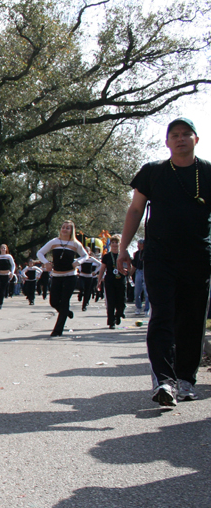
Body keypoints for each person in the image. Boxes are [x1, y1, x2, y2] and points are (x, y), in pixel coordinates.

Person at [117, 117, 211, 406]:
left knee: (192, 319)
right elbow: (135, 210)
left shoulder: (207, 171)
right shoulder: (153, 171)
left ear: (196, 139)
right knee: (162, 315)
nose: (180, 138)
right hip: (160, 256)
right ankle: (164, 381)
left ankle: (185, 379)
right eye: (175, 135)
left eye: (186, 134)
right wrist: (123, 249)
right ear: (167, 142)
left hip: (198, 257)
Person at [37, 221, 88, 336]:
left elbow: (85, 255)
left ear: (71, 231)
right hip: (56, 276)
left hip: (70, 276)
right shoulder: (54, 241)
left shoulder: (75, 243)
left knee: (65, 302)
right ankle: (66, 312)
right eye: (63, 227)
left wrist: (78, 262)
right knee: (54, 301)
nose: (65, 229)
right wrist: (46, 263)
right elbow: (40, 253)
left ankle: (57, 330)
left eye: (68, 228)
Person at [97, 235, 127, 329]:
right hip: (110, 281)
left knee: (121, 301)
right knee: (111, 302)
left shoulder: (123, 255)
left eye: (116, 242)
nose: (114, 244)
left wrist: (127, 271)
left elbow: (129, 266)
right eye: (113, 242)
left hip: (121, 280)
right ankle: (111, 321)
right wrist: (99, 281)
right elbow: (102, 269)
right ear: (110, 244)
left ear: (120, 244)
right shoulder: (107, 256)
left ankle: (119, 314)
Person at [77, 247, 102, 312]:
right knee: (81, 287)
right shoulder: (81, 258)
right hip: (82, 276)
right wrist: (79, 270)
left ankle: (84, 306)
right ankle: (80, 293)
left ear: (89, 252)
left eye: (87, 251)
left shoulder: (91, 259)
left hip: (89, 277)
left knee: (87, 292)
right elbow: (76, 263)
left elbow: (100, 264)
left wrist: (95, 272)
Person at [0, 244, 15, 310]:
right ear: (0, 249)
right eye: (2, 248)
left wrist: (12, 272)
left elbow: (13, 265)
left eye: (4, 248)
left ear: (6, 249)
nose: (3, 249)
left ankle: (0, 304)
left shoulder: (9, 256)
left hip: (5, 275)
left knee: (2, 290)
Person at [130, 239, 149, 316]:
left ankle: (147, 309)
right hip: (139, 271)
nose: (139, 245)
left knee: (146, 292)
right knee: (137, 291)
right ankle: (138, 307)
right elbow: (134, 265)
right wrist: (130, 274)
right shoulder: (137, 253)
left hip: (146, 271)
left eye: (140, 244)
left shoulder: (147, 252)